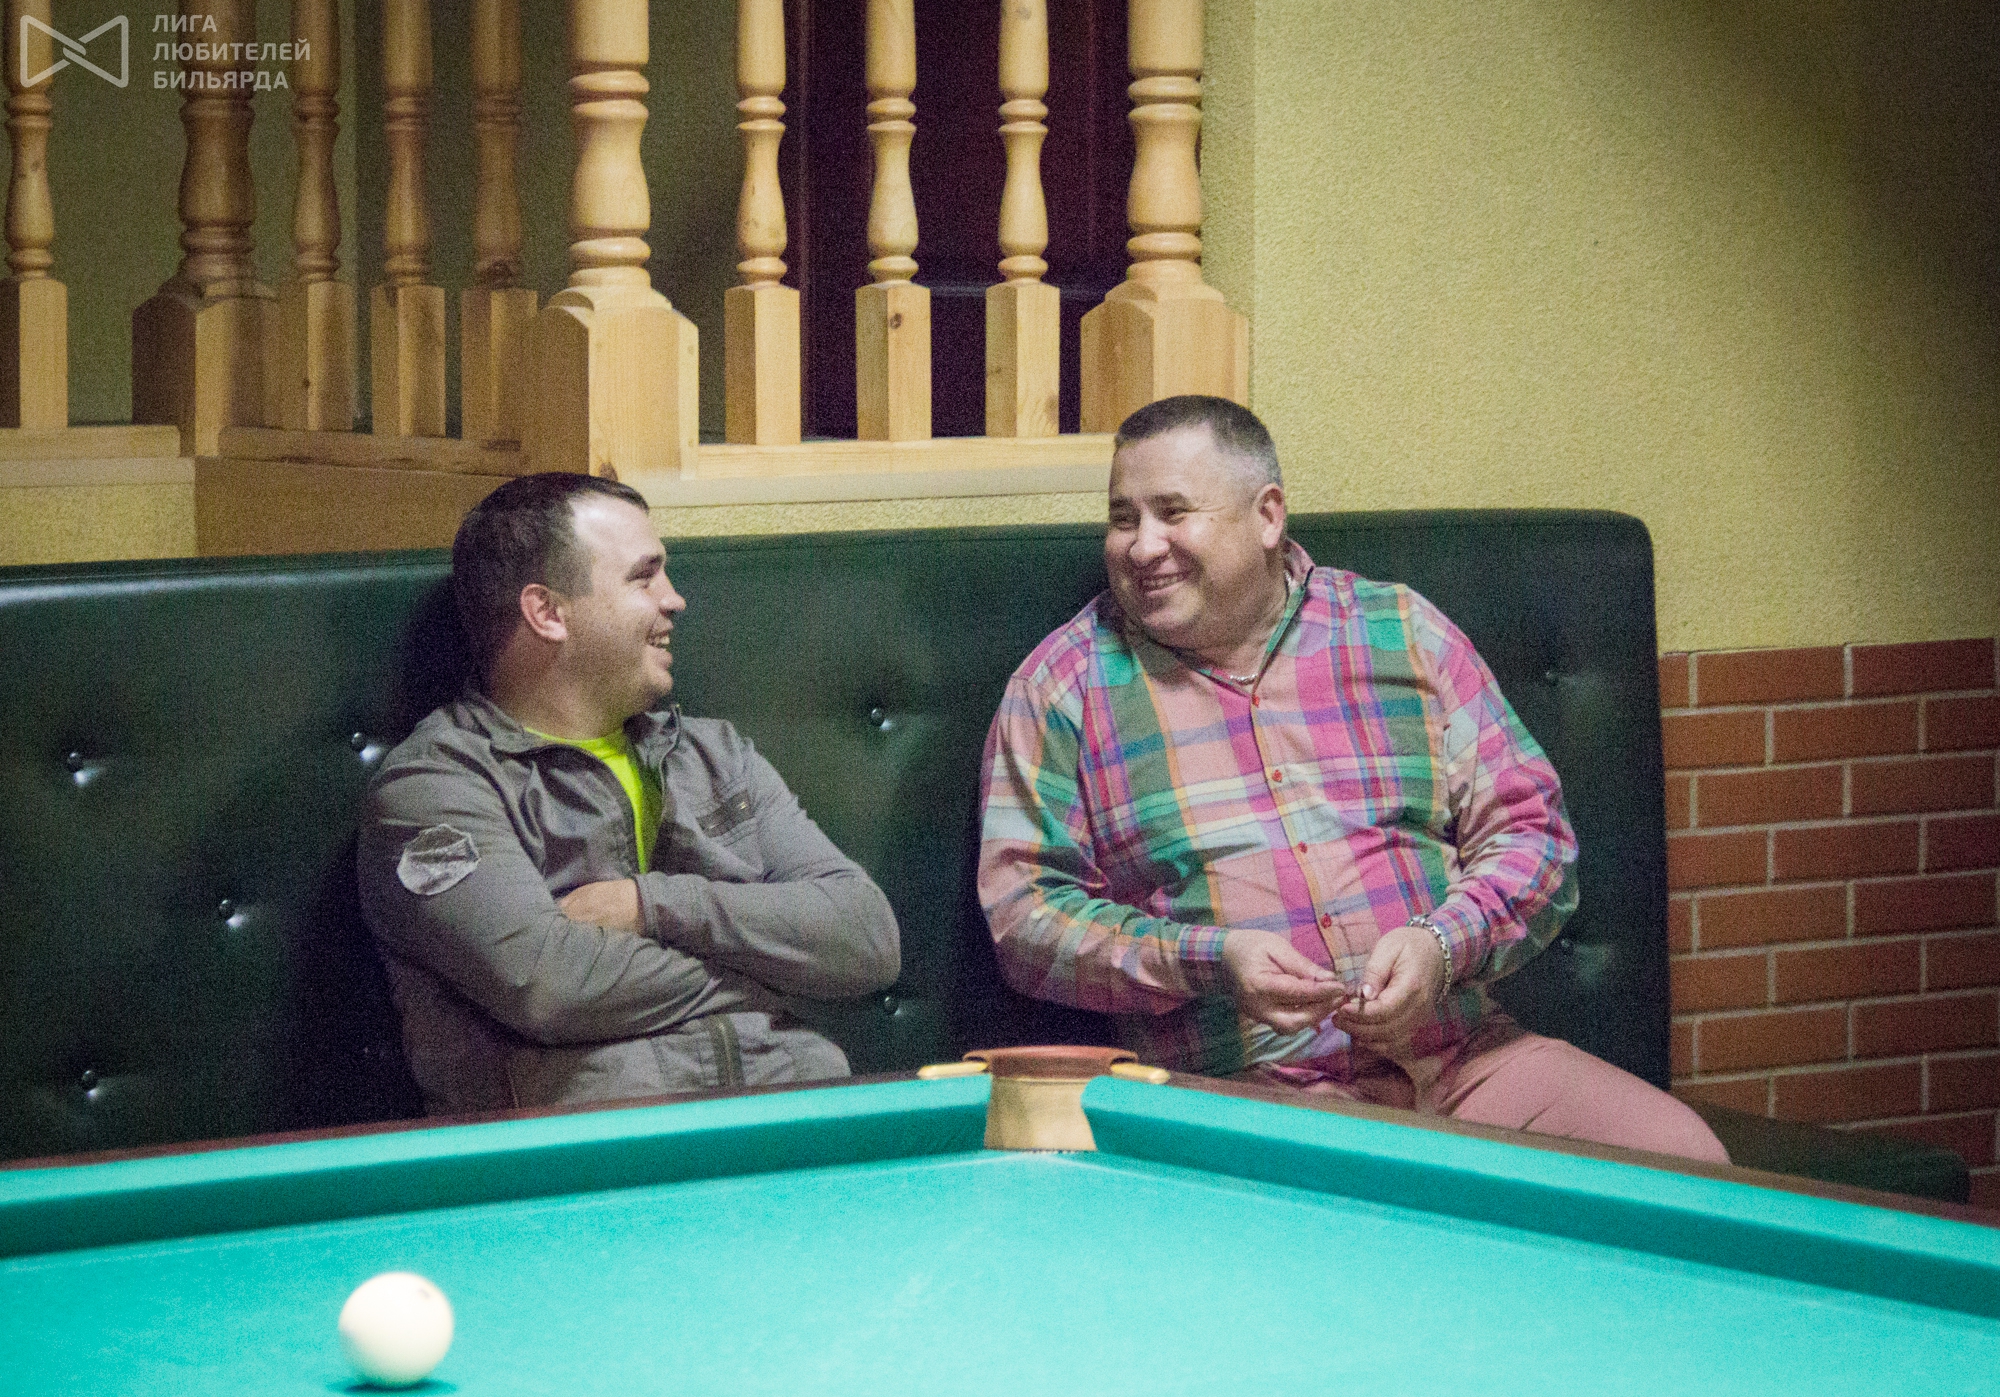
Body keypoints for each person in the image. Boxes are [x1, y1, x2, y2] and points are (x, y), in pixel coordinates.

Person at [978, 396, 1725, 1162]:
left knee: (1685, 1159)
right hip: (1247, 1094)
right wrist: (1205, 959)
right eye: (1122, 518)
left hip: (1465, 1058)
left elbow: (1534, 837)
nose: (1142, 546)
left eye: (1172, 513)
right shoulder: (1060, 688)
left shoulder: (1400, 629)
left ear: (1267, 516)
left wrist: (1441, 946)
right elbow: (1025, 919)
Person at [359, 473, 899, 1113]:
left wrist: (651, 905)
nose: (676, 600)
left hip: (801, 1118)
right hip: (592, 1154)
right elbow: (550, 984)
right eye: (645, 578)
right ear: (547, 613)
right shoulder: (436, 786)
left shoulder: (715, 755)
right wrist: (775, 971)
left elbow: (868, 937)